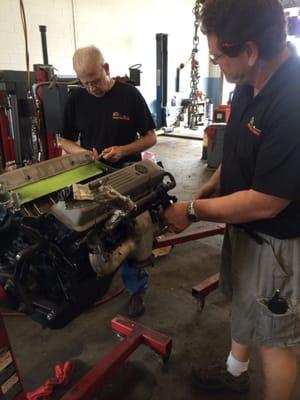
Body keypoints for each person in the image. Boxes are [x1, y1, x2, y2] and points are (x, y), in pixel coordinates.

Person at [163, 1, 300, 399]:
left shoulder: (292, 102)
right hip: (245, 229)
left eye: (219, 56)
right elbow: (240, 148)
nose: (217, 64)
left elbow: (267, 202)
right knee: (243, 299)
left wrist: (192, 210)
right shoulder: (246, 84)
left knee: (276, 340)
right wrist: (215, 185)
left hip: (277, 242)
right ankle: (235, 372)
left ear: (251, 50)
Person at [60, 45, 157, 317]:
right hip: (91, 176)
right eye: (85, 83)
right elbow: (64, 140)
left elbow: (151, 137)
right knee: (91, 233)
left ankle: (136, 288)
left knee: (129, 230)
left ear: (106, 69)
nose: (92, 88)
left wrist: (124, 149)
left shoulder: (129, 96)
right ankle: (92, 285)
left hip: (127, 175)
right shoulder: (76, 100)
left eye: (96, 80)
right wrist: (82, 153)